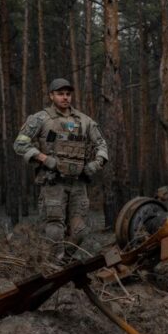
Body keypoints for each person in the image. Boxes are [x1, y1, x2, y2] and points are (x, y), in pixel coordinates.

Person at [13, 78, 108, 256]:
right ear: (51, 95)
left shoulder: (84, 121)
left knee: (80, 231)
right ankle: (54, 266)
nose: (65, 98)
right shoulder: (40, 119)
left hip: (78, 184)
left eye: (68, 94)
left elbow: (102, 145)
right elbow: (20, 144)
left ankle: (67, 261)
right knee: (54, 229)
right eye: (60, 94)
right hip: (53, 183)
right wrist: (44, 158)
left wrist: (96, 164)